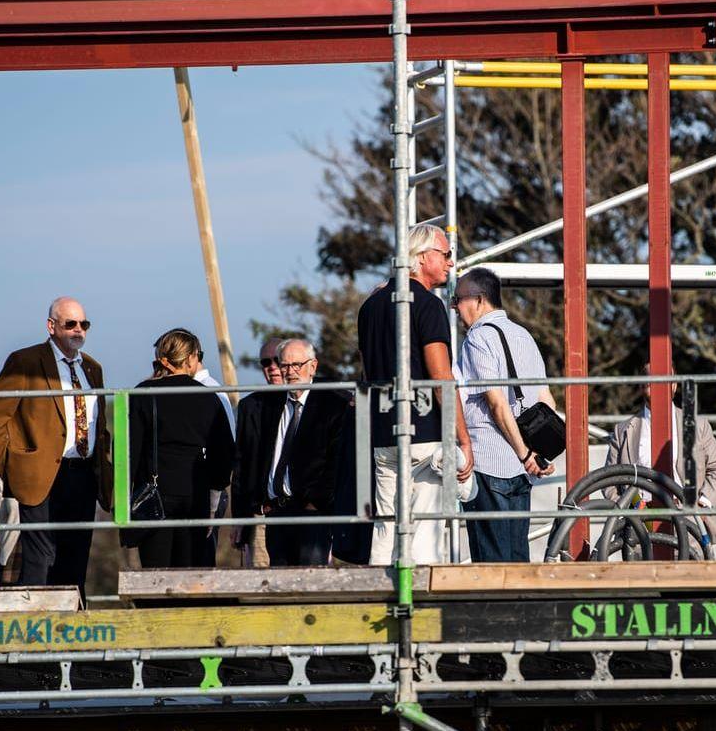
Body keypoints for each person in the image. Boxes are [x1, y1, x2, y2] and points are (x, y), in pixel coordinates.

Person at [0, 296, 110, 592]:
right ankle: (36, 629)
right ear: (51, 326)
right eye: (70, 324)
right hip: (40, 476)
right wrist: (13, 466)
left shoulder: (92, 368)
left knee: (75, 558)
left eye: (84, 324)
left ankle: (71, 630)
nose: (79, 330)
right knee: (40, 559)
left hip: (83, 474)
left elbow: (100, 426)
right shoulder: (25, 361)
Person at [358, 223, 472, 565]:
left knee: (386, 528)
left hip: (381, 431)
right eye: (447, 254)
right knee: (424, 530)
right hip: (423, 432)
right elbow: (441, 376)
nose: (452, 263)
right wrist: (463, 439)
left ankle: (376, 602)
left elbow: (366, 372)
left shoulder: (370, 305)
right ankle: (418, 612)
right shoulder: (427, 305)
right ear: (422, 258)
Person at [452, 268, 554, 562]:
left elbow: (496, 403)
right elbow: (545, 398)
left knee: (491, 563)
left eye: (458, 299)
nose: (455, 308)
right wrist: (538, 455)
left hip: (490, 460)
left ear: (479, 300)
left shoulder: (477, 339)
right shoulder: (524, 336)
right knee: (518, 557)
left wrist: (524, 455)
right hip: (525, 466)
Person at [232, 338, 348, 566]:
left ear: (312, 366)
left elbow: (337, 461)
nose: (290, 372)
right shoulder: (268, 406)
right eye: (284, 365)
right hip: (276, 513)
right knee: (276, 585)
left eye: (297, 365)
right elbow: (247, 461)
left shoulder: (333, 405)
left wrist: (317, 502)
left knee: (310, 583)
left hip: (313, 514)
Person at [129, 329, 235, 568]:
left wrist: (126, 502)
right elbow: (224, 456)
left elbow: (130, 452)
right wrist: (213, 500)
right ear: (191, 358)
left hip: (153, 497)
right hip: (195, 495)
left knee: (155, 573)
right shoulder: (209, 398)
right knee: (191, 572)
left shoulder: (141, 394)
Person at [605, 388, 716, 558]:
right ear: (641, 386)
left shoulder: (698, 425)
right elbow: (610, 479)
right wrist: (629, 508)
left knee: (690, 579)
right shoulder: (623, 430)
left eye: (664, 377)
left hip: (688, 518)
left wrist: (702, 503)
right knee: (643, 580)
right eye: (649, 378)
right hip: (639, 521)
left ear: (674, 386)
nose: (655, 384)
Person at [234, 338, 284, 569]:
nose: (272, 367)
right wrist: (239, 519)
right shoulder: (249, 406)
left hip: (302, 513)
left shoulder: (313, 403)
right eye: (266, 362)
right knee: (261, 585)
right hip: (260, 515)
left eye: (278, 360)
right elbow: (240, 465)